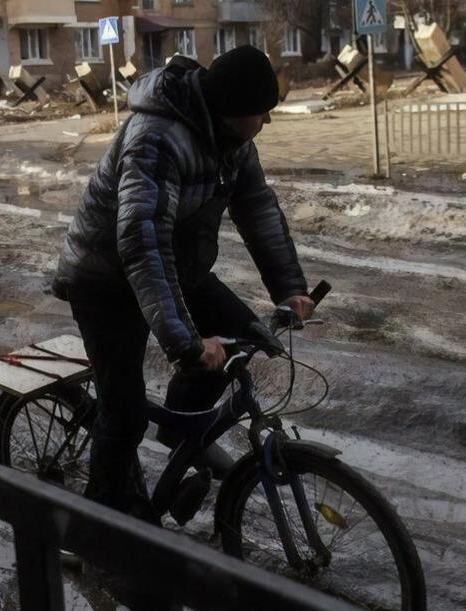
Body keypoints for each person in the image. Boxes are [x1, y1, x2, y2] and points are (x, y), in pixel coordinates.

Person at [52, 45, 314, 519]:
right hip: (105, 280)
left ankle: (180, 434)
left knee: (248, 340)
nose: (267, 123)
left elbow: (258, 210)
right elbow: (142, 243)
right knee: (124, 410)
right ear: (233, 110)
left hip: (179, 268)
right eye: (262, 112)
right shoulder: (156, 137)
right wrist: (185, 342)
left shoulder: (233, 141)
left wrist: (288, 288)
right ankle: (98, 529)